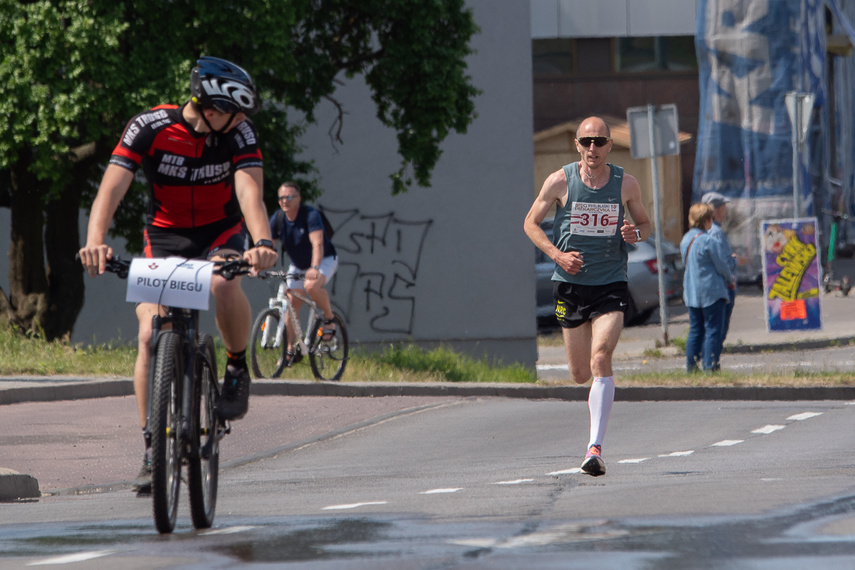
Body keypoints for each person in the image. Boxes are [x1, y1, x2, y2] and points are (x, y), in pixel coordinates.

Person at [78, 56, 278, 494]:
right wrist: (96, 240)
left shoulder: (238, 133)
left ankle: (237, 368)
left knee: (224, 282)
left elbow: (249, 189)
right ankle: (153, 448)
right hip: (165, 238)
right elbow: (111, 186)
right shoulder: (150, 127)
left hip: (219, 233)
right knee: (150, 335)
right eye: (233, 110)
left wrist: (262, 242)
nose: (241, 119)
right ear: (208, 105)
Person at [524, 116, 651, 477]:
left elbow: (644, 224)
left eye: (599, 141)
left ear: (610, 145)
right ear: (577, 145)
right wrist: (557, 255)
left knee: (600, 358)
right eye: (586, 141)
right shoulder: (560, 180)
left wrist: (635, 235)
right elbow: (530, 223)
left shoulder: (626, 183)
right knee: (580, 374)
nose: (592, 148)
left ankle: (594, 448)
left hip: (610, 282)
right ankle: (593, 431)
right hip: (570, 284)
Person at [270, 182, 339, 366]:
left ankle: (329, 318)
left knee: (311, 286)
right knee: (292, 303)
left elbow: (317, 243)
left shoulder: (310, 215)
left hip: (324, 259)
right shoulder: (277, 219)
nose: (285, 201)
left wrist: (315, 268)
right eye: (282, 198)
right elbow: (270, 247)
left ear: (298, 199)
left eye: (289, 197)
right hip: (299, 265)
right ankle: (290, 350)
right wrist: (257, 266)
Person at [680, 202, 734, 373]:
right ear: (706, 220)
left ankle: (691, 367)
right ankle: (710, 366)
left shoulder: (685, 240)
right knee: (713, 330)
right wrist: (729, 280)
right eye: (710, 218)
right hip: (711, 291)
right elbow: (722, 266)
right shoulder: (709, 241)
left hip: (692, 293)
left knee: (695, 330)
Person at [701, 191, 746, 345]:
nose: (725, 211)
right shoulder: (717, 232)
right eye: (724, 207)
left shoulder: (704, 230)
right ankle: (712, 361)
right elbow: (723, 262)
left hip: (708, 286)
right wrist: (736, 260)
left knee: (709, 328)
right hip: (723, 285)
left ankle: (708, 360)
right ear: (718, 210)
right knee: (718, 329)